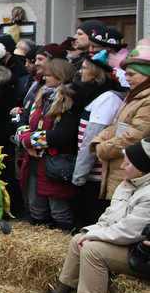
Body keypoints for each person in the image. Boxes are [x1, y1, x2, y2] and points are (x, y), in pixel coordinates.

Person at [31, 139, 150, 293]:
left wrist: (94, 236)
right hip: (122, 242)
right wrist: (90, 232)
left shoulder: (148, 194)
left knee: (93, 250)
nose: (123, 165)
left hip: (139, 252)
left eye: (128, 163)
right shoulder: (126, 185)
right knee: (78, 239)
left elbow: (131, 230)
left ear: (141, 168)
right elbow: (108, 217)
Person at [16, 59, 79, 230]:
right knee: (36, 207)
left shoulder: (69, 100)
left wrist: (29, 141)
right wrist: (24, 140)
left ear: (60, 77)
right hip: (34, 161)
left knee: (59, 209)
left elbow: (63, 135)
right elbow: (23, 121)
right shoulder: (40, 95)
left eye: (48, 76)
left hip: (55, 163)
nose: (44, 79)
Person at [91, 43, 150, 200]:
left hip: (130, 168)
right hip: (118, 167)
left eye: (132, 74)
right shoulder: (134, 95)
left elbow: (136, 134)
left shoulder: (147, 100)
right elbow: (117, 125)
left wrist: (104, 148)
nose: (127, 78)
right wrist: (98, 140)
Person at [72, 51, 124, 226]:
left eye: (85, 68)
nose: (80, 71)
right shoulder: (92, 94)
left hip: (95, 176)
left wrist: (78, 176)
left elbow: (91, 138)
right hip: (89, 174)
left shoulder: (107, 98)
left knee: (91, 219)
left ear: (95, 72)